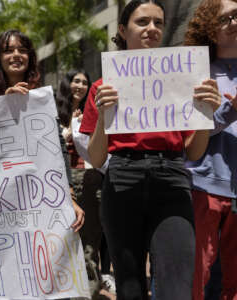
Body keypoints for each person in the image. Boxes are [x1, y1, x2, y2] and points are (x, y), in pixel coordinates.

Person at [81, 1, 222, 299]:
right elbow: (96, 158)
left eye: (158, 22)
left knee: (177, 284)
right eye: (143, 22)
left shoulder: (183, 82)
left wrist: (205, 114)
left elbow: (194, 153)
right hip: (121, 180)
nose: (152, 29)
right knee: (130, 285)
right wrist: (105, 116)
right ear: (123, 29)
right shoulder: (102, 87)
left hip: (172, 179)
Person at [0, 29, 85, 232]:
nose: (16, 55)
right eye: (8, 50)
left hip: (41, 195)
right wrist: (3, 104)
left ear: (29, 58)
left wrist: (68, 192)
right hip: (1, 198)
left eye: (22, 50)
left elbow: (58, 147)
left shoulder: (42, 99)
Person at [185, 0, 237, 298]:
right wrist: (230, 109)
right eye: (224, 19)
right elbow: (192, 130)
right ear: (209, 30)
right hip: (204, 186)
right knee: (197, 275)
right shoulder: (197, 73)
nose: (233, 23)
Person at [56, 70, 116, 295]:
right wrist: (66, 133)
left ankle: (89, 291)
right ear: (66, 84)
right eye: (76, 81)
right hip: (62, 181)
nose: (80, 86)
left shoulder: (92, 112)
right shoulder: (52, 112)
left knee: (89, 242)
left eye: (85, 82)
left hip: (90, 178)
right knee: (62, 240)